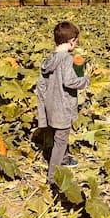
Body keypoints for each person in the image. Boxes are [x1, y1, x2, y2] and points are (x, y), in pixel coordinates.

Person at [36, 21, 90, 183]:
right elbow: (70, 82)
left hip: (50, 107)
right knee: (60, 142)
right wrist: (85, 79)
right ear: (72, 41)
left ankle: (65, 160)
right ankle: (52, 178)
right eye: (76, 41)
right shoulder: (67, 59)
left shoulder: (49, 59)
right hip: (62, 107)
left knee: (58, 137)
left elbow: (41, 85)